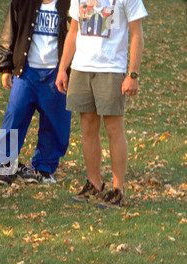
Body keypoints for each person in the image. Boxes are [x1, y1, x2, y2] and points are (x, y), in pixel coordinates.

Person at [55, 0, 147, 208]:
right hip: (81, 68)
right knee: (88, 128)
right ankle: (94, 184)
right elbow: (73, 32)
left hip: (111, 69)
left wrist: (132, 74)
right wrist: (63, 68)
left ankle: (118, 190)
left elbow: (136, 35)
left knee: (114, 129)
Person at [0, 0, 72, 186]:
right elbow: (9, 33)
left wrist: (70, 71)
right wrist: (6, 66)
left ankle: (44, 168)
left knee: (56, 123)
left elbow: (76, 37)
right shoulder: (22, 2)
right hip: (26, 72)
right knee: (15, 116)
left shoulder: (70, 4)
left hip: (57, 72)